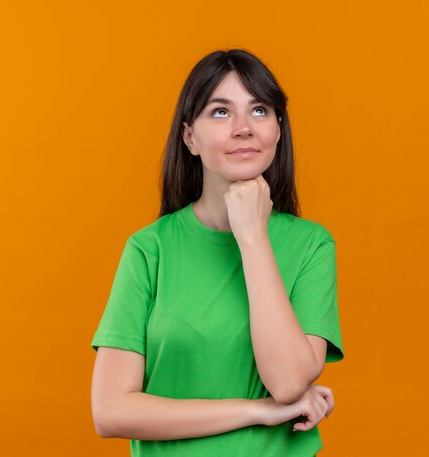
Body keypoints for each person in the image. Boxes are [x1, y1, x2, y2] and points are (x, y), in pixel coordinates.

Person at [90, 48, 344, 457]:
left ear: (279, 129)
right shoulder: (149, 249)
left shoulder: (311, 245)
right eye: (221, 112)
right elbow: (111, 411)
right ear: (190, 137)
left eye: (259, 110)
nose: (244, 128)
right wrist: (256, 411)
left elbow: (288, 382)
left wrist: (253, 237)